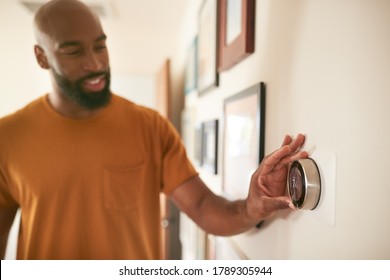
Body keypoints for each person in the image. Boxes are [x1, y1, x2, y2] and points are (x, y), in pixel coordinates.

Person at [0, 0, 308, 260]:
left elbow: (203, 207)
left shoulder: (150, 126)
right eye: (73, 52)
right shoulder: (7, 137)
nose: (95, 63)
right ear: (42, 57)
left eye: (100, 46)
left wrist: (251, 207)